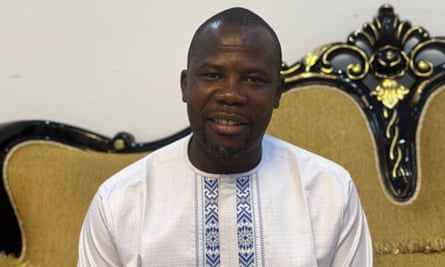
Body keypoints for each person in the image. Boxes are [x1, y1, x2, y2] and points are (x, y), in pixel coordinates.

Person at [78, 7, 373, 266]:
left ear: (278, 93)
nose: (231, 95)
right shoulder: (120, 202)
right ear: (185, 85)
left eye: (253, 80)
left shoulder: (331, 193)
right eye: (212, 75)